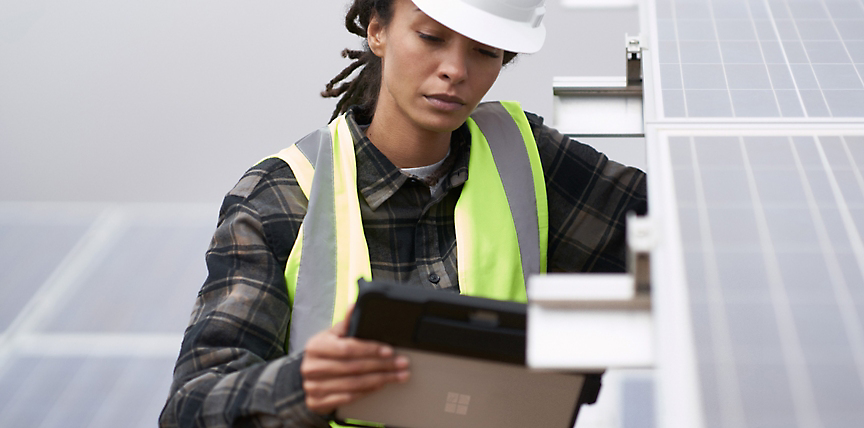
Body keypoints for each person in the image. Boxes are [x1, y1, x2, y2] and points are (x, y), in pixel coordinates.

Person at [159, 0, 647, 426]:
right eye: (431, 37)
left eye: (485, 51)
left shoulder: (529, 158)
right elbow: (192, 406)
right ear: (377, 29)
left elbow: (690, 235)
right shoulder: (281, 199)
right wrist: (300, 384)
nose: (456, 69)